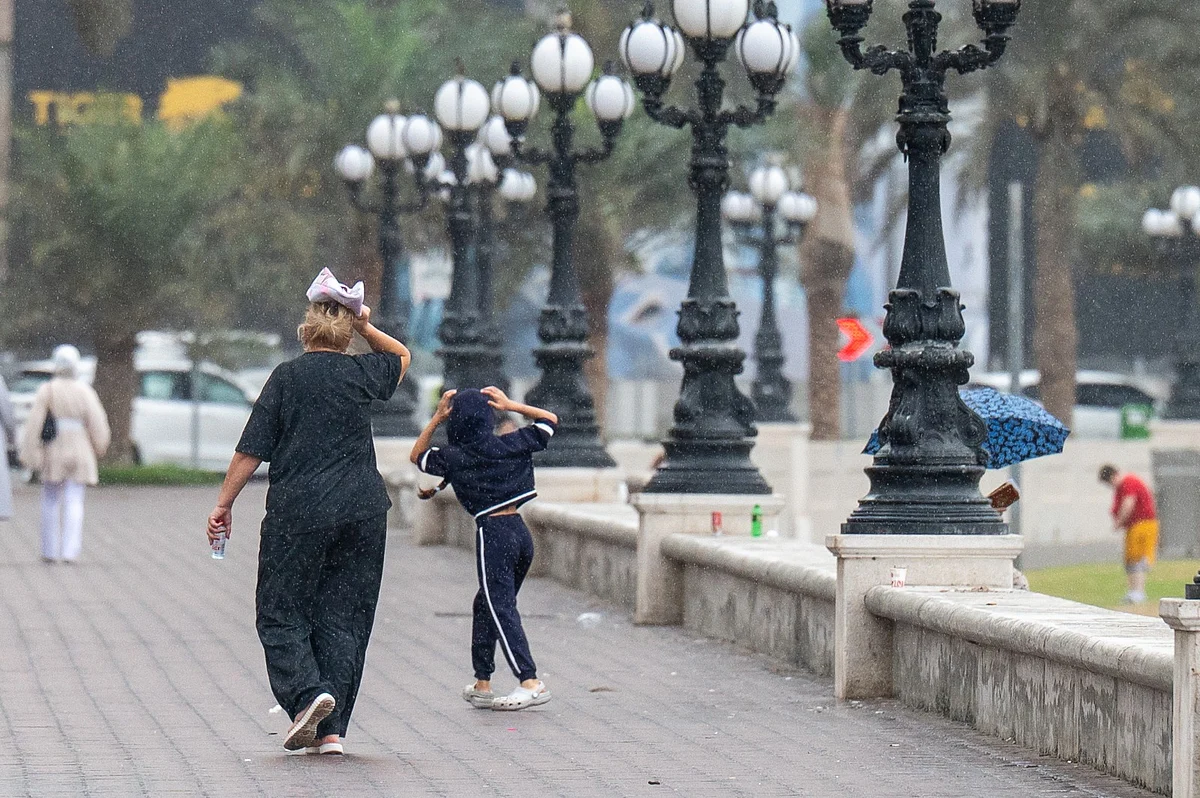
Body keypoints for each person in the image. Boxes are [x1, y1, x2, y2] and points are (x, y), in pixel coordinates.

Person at [206, 271, 410, 756]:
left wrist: (224, 504)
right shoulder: (361, 374)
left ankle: (305, 697)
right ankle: (330, 730)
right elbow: (401, 356)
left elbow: (250, 451)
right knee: (344, 617)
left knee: (281, 612)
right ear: (345, 333)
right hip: (362, 512)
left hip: (299, 513)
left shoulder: (287, 378)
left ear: (305, 330)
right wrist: (364, 325)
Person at [410, 386, 557, 711]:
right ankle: (482, 683)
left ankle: (530, 681)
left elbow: (417, 455)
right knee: (486, 604)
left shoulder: (454, 456)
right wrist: (510, 405)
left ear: (456, 420)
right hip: (520, 533)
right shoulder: (511, 443)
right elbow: (549, 420)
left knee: (500, 607)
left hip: (494, 534)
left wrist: (437, 418)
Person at [20, 344, 110, 563]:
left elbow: (34, 424)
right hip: (80, 447)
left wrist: (30, 452)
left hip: (54, 448)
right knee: (74, 499)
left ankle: (49, 550)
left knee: (50, 499)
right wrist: (100, 445)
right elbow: (97, 422)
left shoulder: (47, 390)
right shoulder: (85, 391)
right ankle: (70, 551)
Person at [1099, 463, 1158, 603]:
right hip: (1134, 526)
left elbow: (1128, 503)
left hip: (1142, 525)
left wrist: (1119, 521)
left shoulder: (1128, 482)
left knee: (1137, 559)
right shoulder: (1122, 487)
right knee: (1131, 560)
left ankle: (1138, 592)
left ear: (1113, 476)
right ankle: (1133, 591)